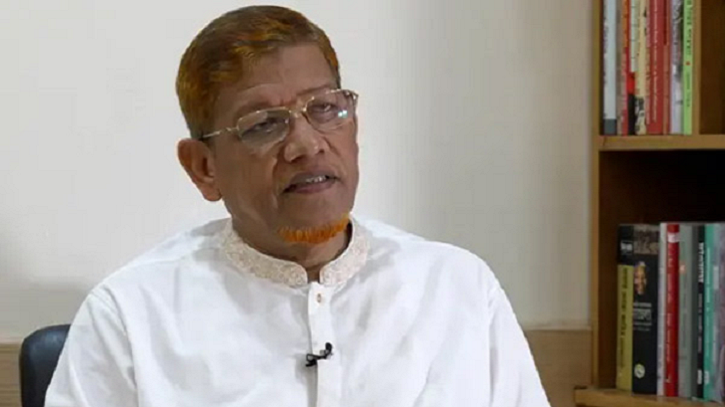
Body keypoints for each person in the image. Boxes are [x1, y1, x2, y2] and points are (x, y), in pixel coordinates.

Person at [45, 5, 550, 407]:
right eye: (264, 124)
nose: (307, 145)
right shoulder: (131, 316)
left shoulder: (458, 289)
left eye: (325, 108)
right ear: (203, 167)